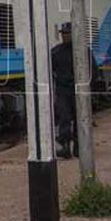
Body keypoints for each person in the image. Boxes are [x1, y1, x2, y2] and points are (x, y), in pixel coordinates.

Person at [50, 23, 77, 158]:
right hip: (63, 91)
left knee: (80, 120)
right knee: (64, 118)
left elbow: (93, 72)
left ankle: (79, 148)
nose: (65, 36)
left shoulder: (82, 51)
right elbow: (49, 71)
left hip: (78, 91)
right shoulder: (55, 52)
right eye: (64, 33)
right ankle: (65, 147)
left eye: (68, 33)